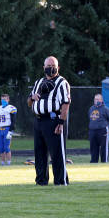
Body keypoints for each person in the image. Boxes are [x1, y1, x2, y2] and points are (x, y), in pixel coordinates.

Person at [28, 56, 71, 185]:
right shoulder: (38, 82)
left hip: (53, 120)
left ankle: (60, 180)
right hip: (39, 120)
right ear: (43, 67)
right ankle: (41, 180)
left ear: (58, 67)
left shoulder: (62, 82)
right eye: (48, 66)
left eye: (53, 66)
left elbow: (66, 103)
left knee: (57, 153)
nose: (50, 68)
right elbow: (29, 102)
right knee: (39, 153)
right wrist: (32, 97)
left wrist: (61, 122)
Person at [88, 94, 109, 163]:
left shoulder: (105, 109)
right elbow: (90, 118)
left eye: (98, 99)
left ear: (101, 100)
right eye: (95, 99)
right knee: (93, 148)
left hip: (102, 131)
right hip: (92, 131)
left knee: (104, 148)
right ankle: (93, 162)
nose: (96, 101)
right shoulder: (91, 108)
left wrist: (103, 125)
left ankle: (104, 162)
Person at [0, 94, 17, 165]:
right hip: (0, 129)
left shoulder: (11, 108)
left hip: (7, 129)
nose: (3, 101)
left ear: (8, 100)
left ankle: (9, 163)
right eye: (2, 99)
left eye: (5, 99)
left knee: (6, 147)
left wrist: (10, 131)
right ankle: (2, 163)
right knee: (1, 148)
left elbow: (13, 121)